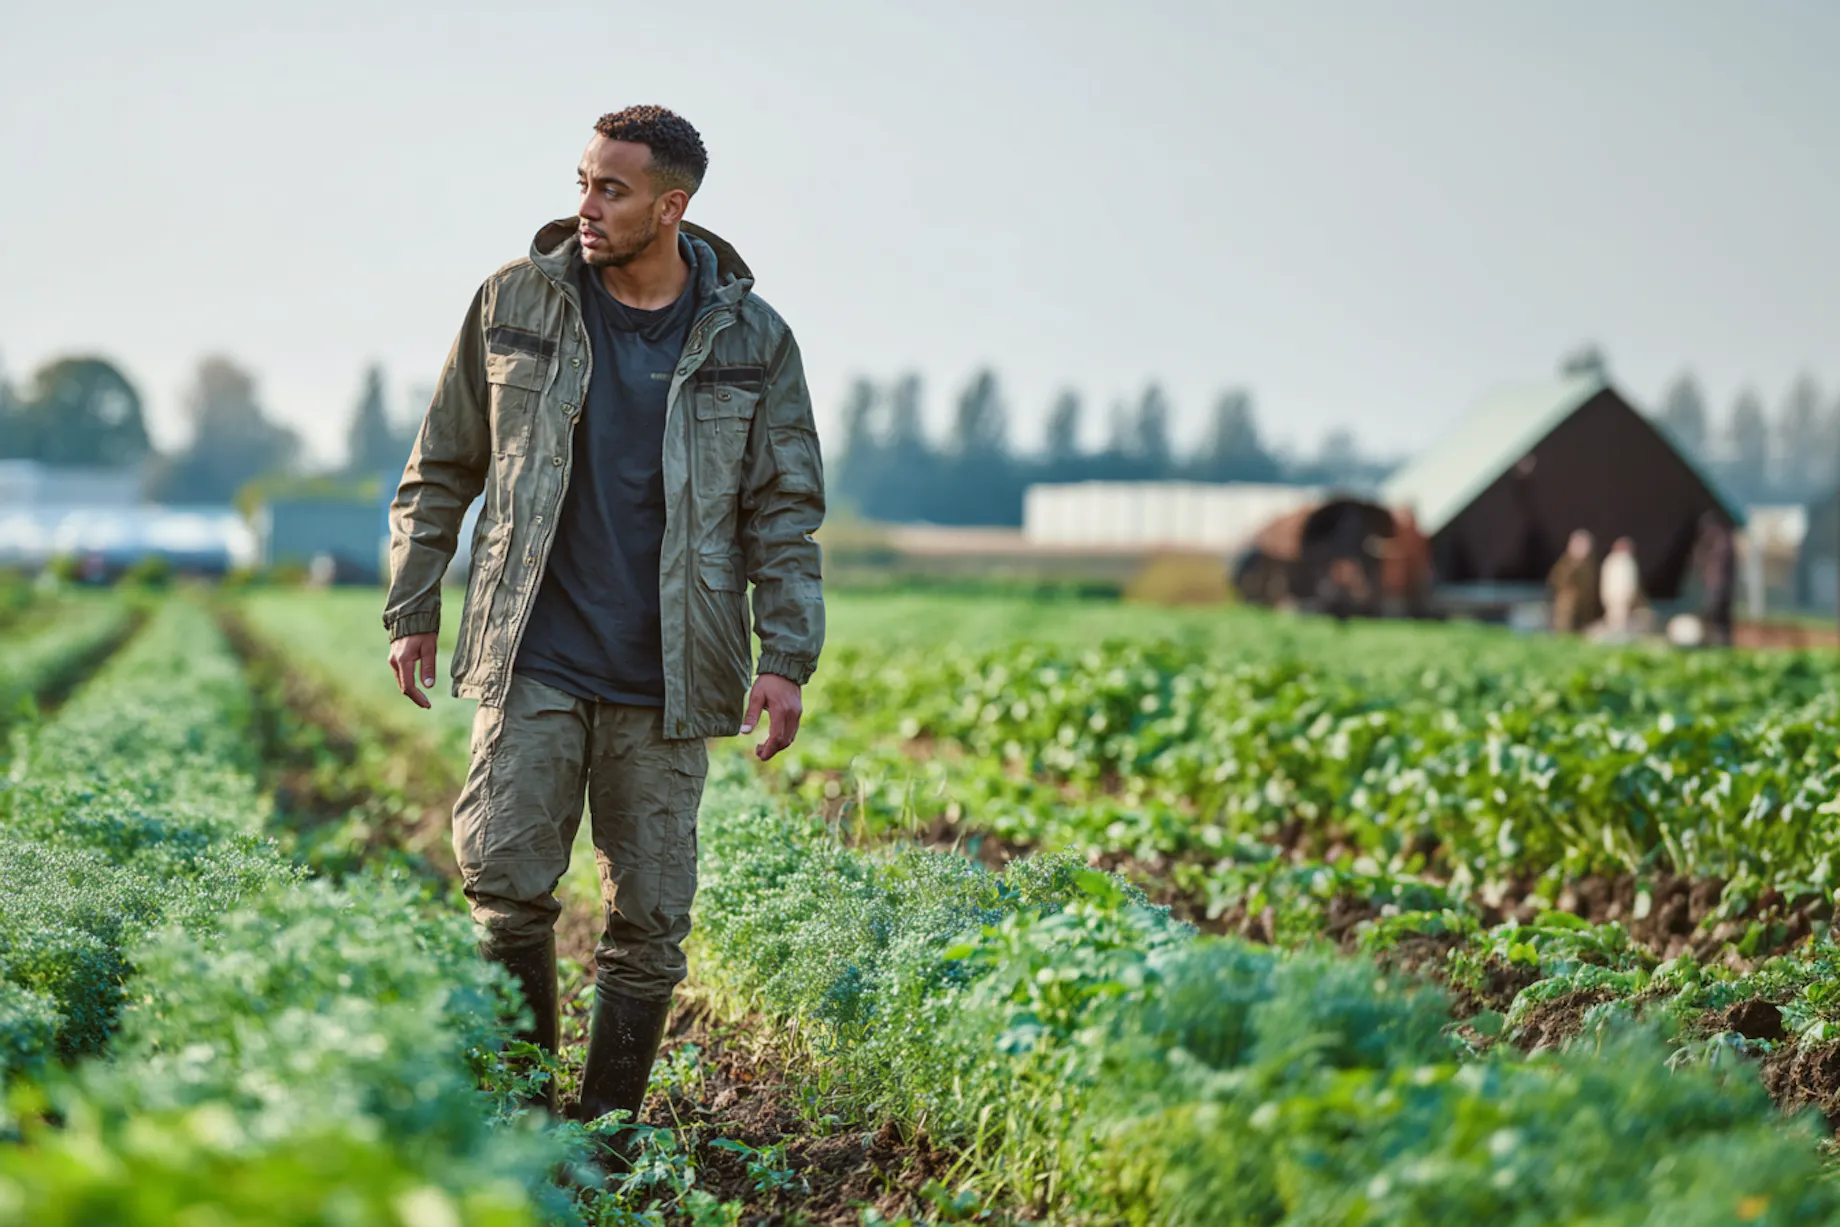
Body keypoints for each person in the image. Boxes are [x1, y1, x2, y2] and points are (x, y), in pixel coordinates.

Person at [381, 106, 826, 1126]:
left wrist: (786, 655)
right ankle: (528, 1125)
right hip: (533, 650)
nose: (584, 206)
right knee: (504, 890)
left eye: (610, 189)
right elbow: (441, 465)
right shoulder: (512, 303)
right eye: (582, 180)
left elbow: (784, 510)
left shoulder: (753, 340)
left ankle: (611, 1140)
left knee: (650, 922)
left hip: (669, 671)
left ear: (671, 207)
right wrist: (412, 604)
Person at [1693, 513, 1736, 647]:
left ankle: (1721, 643)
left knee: (1717, 618)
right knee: (1713, 618)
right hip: (1713, 588)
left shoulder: (1721, 544)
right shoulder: (1712, 545)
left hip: (1718, 590)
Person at [1547, 529, 1601, 633]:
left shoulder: (1590, 566)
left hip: (1585, 606)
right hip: (1568, 606)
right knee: (1564, 630)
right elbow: (1556, 581)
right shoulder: (1566, 564)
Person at [1599, 536, 1642, 634]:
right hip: (1613, 595)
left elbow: (1631, 583)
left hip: (1624, 597)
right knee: (1613, 617)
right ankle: (1613, 636)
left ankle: (1620, 636)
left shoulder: (1628, 562)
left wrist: (1630, 595)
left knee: (1622, 619)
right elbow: (1607, 581)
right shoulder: (1611, 561)